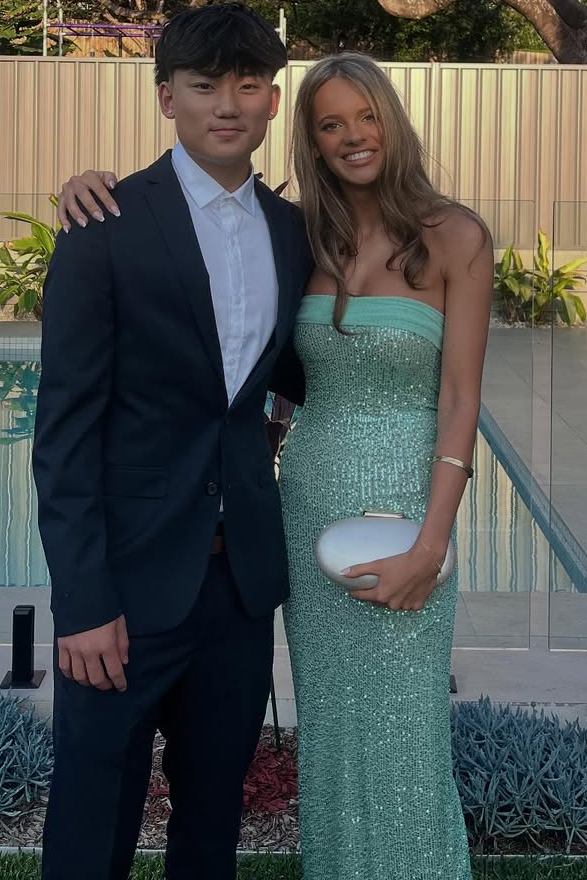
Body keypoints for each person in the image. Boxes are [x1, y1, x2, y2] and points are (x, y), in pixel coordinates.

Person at [57, 53, 493, 880]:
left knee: (403, 733)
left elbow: (460, 399)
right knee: (328, 733)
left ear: (392, 120)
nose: (352, 136)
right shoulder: (304, 234)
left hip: (403, 512)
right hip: (301, 513)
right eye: (330, 124)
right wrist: (89, 186)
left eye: (366, 116)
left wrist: (433, 542)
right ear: (310, 138)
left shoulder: (445, 235)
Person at [33, 5, 312, 880]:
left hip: (238, 590)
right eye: (203, 85)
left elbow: (297, 376)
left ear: (273, 101)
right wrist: (82, 602)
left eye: (248, 85)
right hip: (123, 589)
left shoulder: (292, 234)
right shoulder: (103, 225)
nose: (226, 104)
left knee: (212, 822)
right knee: (91, 826)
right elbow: (64, 433)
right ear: (166, 99)